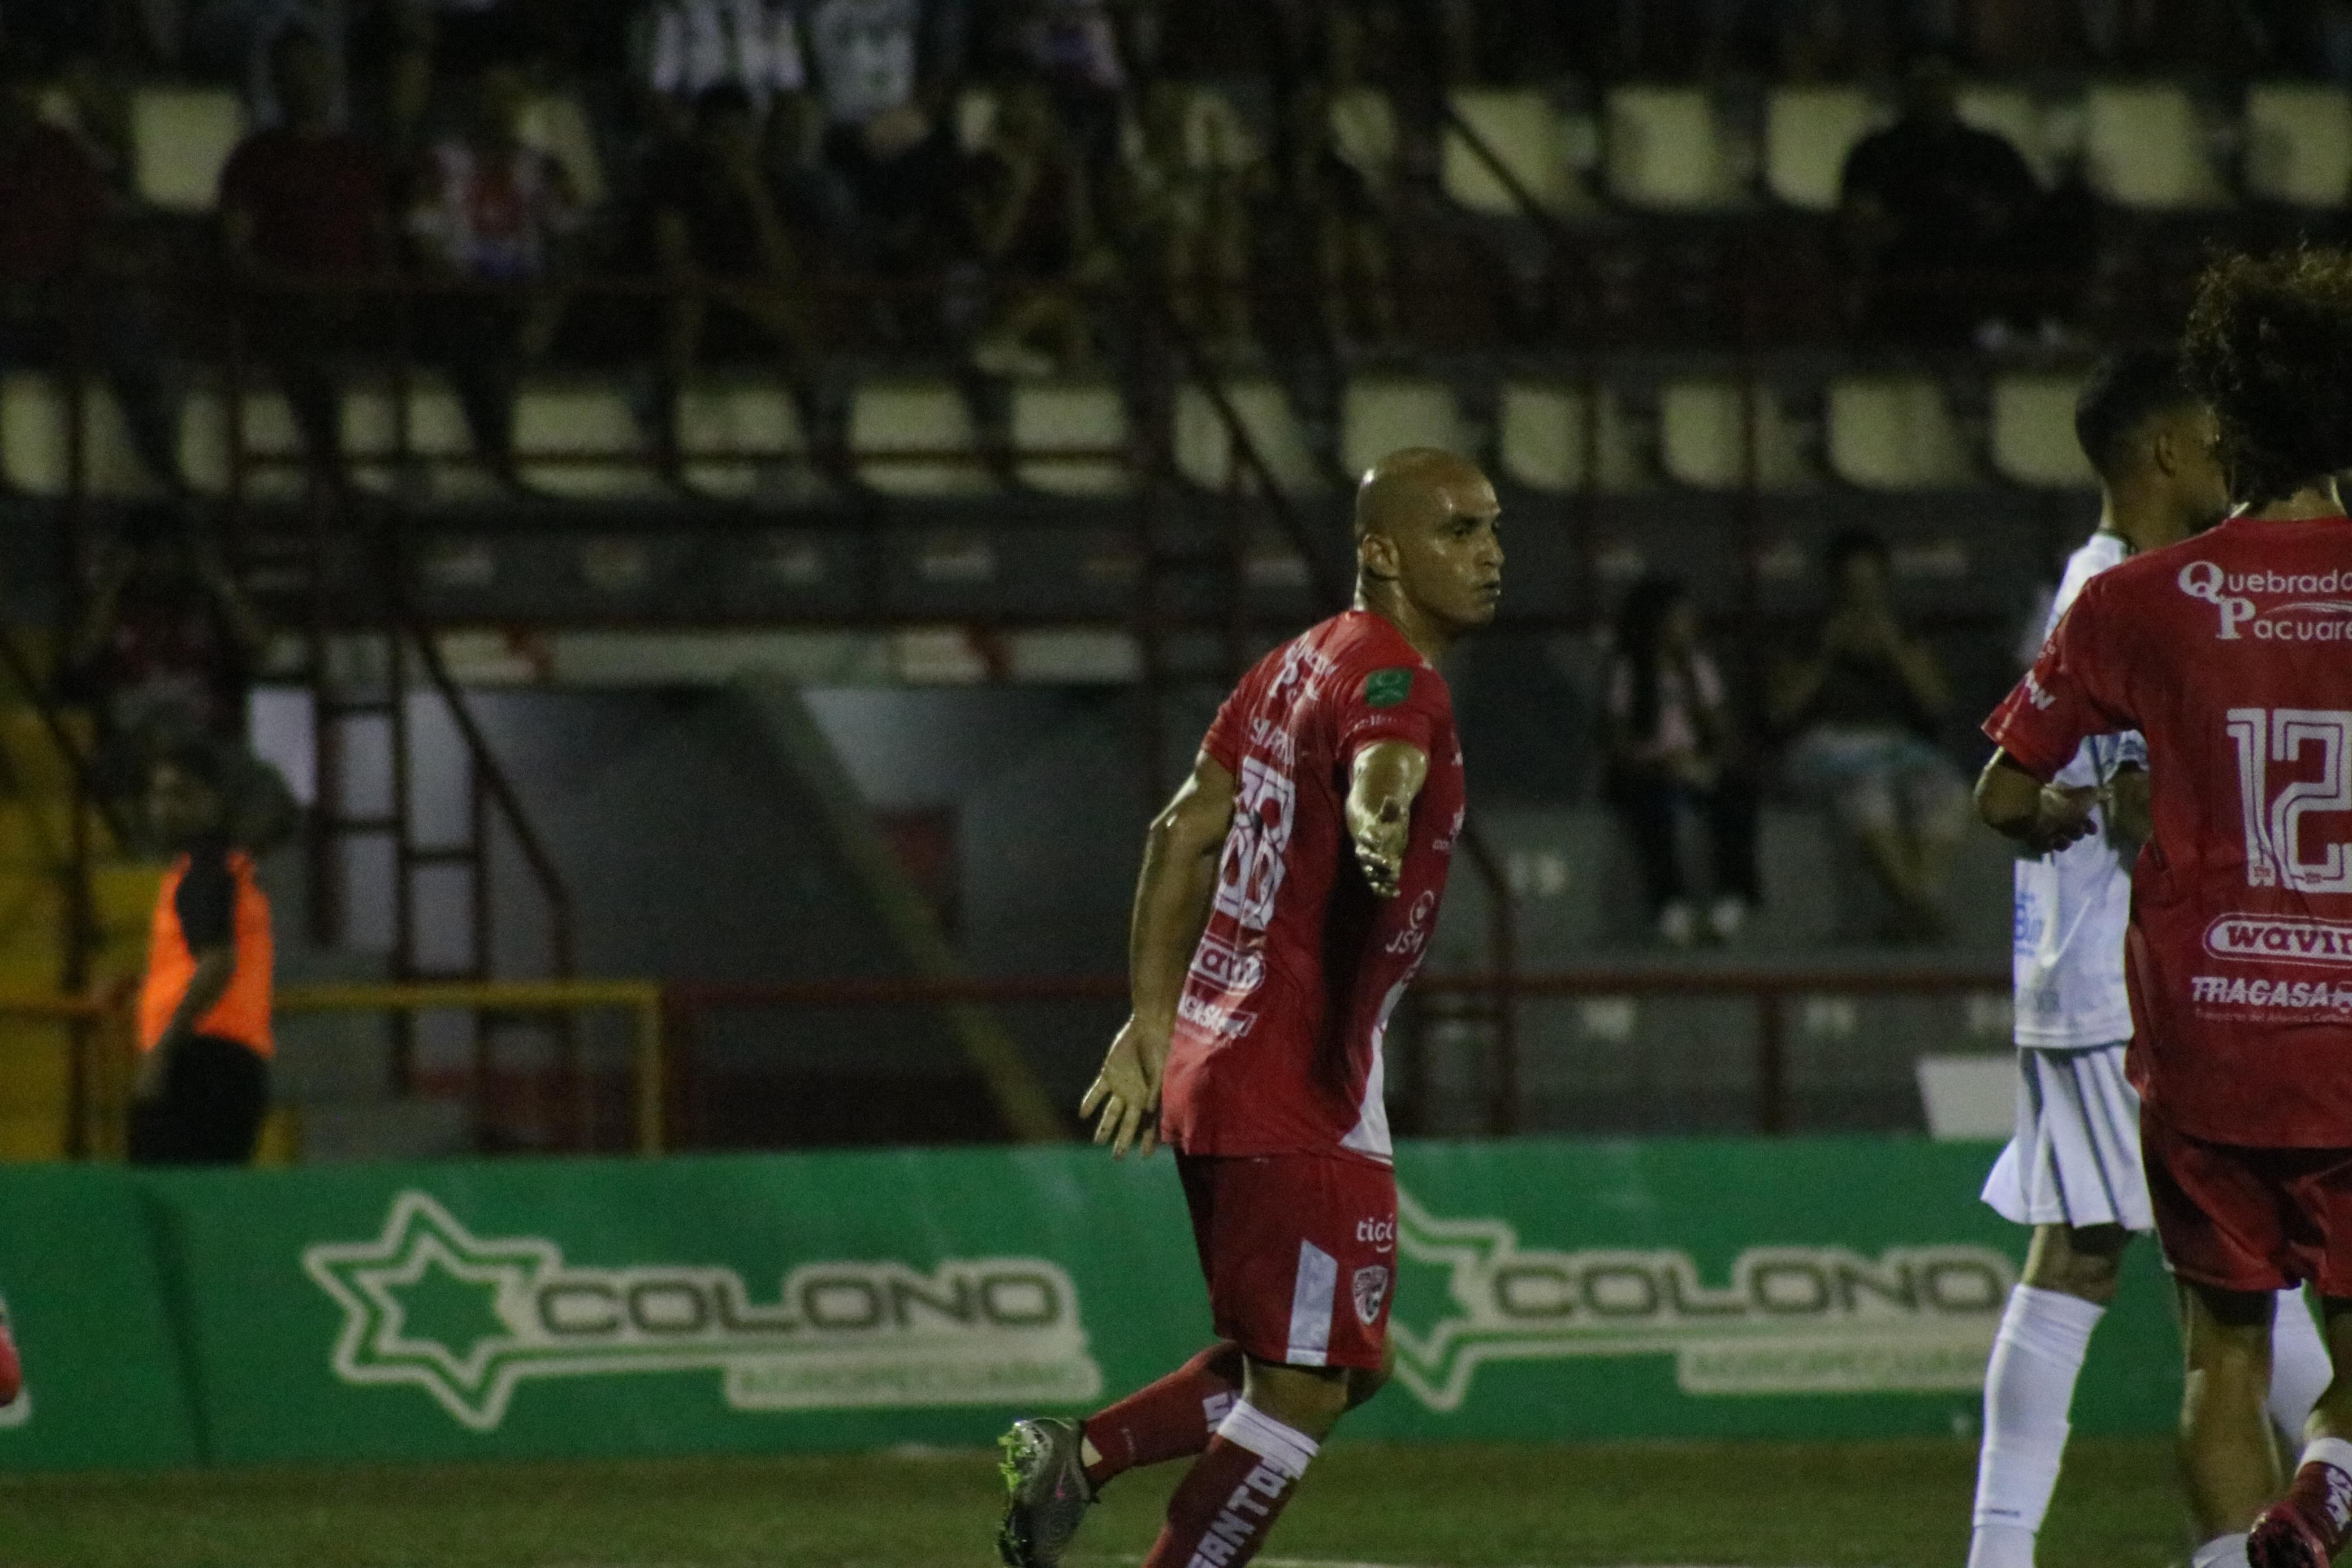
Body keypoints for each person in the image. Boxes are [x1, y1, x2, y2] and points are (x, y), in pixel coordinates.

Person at [995, 448, 1504, 1568]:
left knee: (1336, 1364)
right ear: (1381, 550)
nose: (1488, 555)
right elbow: (1386, 758)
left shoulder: (1287, 664)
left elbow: (1181, 829)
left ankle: (1080, 1456)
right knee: (1304, 1388)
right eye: (1458, 531)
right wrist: (1380, 804)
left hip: (1234, 1059)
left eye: (1490, 529)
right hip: (1295, 1080)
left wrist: (1148, 1020)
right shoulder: (1395, 678)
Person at [1976, 245, 2352, 1568]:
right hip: (2340, 1015)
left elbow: (2002, 791)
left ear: (2225, 432)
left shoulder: (2143, 599)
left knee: (2221, 1353)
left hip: (2199, 1022)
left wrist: (2088, 805)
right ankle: (2331, 1484)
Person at [1772, 526, 1969, 942]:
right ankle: (1920, 907)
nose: (1861, 595)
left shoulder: (1904, 632)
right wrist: (1826, 652)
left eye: (1870, 583)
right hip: (1826, 745)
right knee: (1868, 789)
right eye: (1851, 584)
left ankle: (1914, 904)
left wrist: (1895, 650)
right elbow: (1780, 712)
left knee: (1948, 791)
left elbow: (1937, 704)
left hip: (1895, 743)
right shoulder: (1808, 633)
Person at [218, 25, 393, 493]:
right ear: (276, 83)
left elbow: (383, 243)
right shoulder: (254, 158)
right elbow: (238, 249)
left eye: (316, 68)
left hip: (357, 303)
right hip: (286, 304)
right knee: (310, 350)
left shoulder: (359, 157)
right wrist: (291, 289)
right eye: (293, 72)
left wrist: (363, 291)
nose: (307, 81)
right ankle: (332, 472)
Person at [405, 61, 583, 489]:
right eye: (490, 95)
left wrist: (549, 311)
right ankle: (500, 466)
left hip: (528, 298)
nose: (500, 108)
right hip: (463, 297)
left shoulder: (546, 168)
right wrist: (463, 286)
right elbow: (424, 243)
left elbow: (574, 243)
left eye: (510, 97)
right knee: (477, 338)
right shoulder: (439, 165)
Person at [130, 744, 276, 1166]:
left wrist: (161, 1053)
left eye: (181, 794)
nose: (164, 808)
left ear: (213, 800)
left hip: (197, 1064)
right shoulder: (230, 869)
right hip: (234, 1063)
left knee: (160, 1205)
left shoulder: (203, 873)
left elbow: (217, 961)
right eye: (158, 795)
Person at [1838, 56, 2051, 347]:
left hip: (1980, 287)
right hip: (1900, 290)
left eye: (1940, 82)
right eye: (1924, 83)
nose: (1933, 92)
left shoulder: (1991, 152)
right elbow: (1862, 223)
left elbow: (2023, 213)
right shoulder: (1876, 153)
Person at [1602, 575, 1759, 946]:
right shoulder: (1629, 670)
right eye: (1680, 617)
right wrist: (1662, 762)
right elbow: (1618, 742)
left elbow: (1723, 735)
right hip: (1649, 771)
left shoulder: (1699, 667)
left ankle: (1734, 897)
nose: (1690, 625)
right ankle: (1671, 906)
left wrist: (1693, 690)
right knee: (1651, 807)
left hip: (1696, 766)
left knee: (1737, 793)